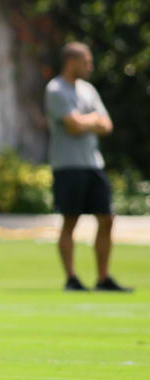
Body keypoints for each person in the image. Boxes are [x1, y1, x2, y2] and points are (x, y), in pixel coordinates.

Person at [44, 41, 132, 293]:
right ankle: (71, 278)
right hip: (68, 165)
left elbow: (107, 124)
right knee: (70, 220)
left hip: (93, 164)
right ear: (72, 62)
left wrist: (88, 121)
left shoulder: (88, 90)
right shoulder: (56, 89)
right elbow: (72, 126)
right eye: (87, 62)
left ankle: (103, 278)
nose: (90, 66)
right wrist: (91, 120)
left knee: (107, 219)